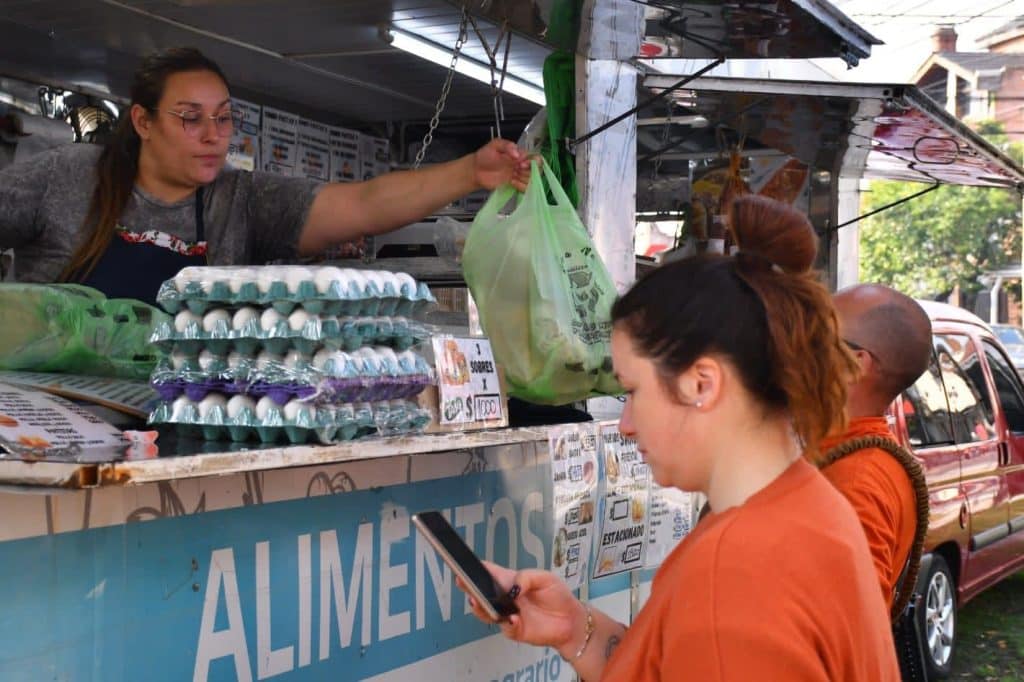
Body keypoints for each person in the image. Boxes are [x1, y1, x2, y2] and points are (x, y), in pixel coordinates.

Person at [461, 195, 899, 680]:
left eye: (632, 391)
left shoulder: (735, 570)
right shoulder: (807, 507)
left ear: (701, 385)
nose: (625, 423)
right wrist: (572, 627)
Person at [0, 47, 531, 305]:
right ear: (142, 121)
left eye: (224, 117)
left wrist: (469, 172)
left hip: (180, 428)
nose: (214, 134)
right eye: (191, 118)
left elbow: (362, 204)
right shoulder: (68, 176)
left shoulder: (241, 200)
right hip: (47, 428)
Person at [820, 284, 932, 616]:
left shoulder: (857, 483)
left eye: (815, 335)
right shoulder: (848, 455)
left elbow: (848, 637)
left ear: (854, 365)